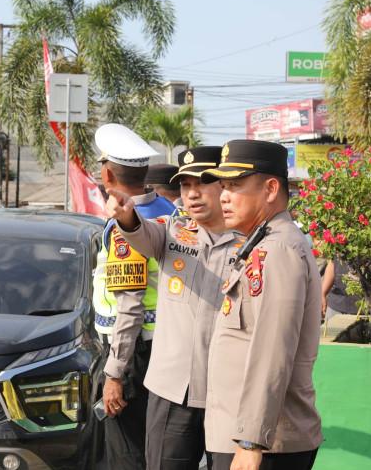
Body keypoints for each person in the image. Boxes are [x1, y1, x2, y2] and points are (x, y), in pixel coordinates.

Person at [107, 146, 245, 470]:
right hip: (173, 392)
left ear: (224, 185)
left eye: (202, 183)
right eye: (185, 186)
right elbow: (139, 233)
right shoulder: (172, 232)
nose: (192, 194)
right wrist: (127, 213)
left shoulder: (249, 243)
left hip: (227, 394)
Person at [201, 139, 322, 470]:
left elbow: (273, 348)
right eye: (222, 186)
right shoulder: (262, 245)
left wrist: (251, 440)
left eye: (235, 185)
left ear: (270, 189)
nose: (223, 195)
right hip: (247, 436)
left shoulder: (278, 251)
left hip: (264, 445)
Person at [92, 123, 175, 470]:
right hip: (165, 347)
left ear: (107, 173)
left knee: (127, 453)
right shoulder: (170, 212)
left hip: (134, 353)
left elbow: (129, 304)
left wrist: (114, 373)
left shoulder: (127, 226)